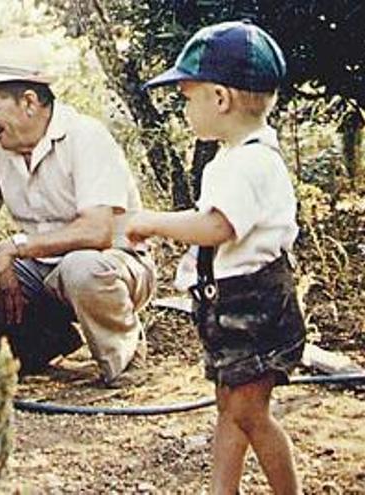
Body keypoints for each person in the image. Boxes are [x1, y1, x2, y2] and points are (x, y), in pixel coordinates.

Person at [128, 21, 305, 494]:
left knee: (250, 412)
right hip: (227, 302)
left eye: (188, 96)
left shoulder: (250, 162)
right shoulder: (231, 157)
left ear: (220, 99)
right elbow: (214, 220)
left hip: (256, 303)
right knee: (229, 406)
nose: (184, 108)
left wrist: (150, 221)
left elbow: (216, 227)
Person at [0, 37, 156, 384]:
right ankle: (39, 345)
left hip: (114, 263)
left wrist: (13, 247)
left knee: (82, 266)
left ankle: (125, 359)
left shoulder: (85, 136)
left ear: (28, 102)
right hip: (40, 273)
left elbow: (96, 232)